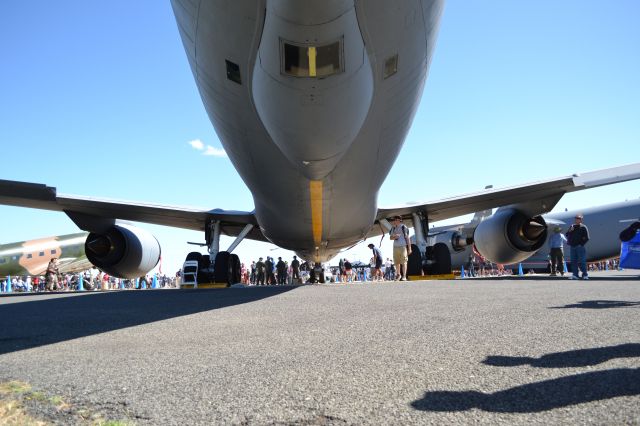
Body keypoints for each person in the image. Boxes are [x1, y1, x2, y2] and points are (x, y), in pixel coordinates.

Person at [565, 214, 590, 280]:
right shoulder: (572, 226)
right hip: (572, 246)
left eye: (578, 218)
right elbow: (567, 234)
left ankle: (585, 275)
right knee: (573, 261)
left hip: (580, 247)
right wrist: (570, 230)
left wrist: (581, 244)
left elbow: (587, 238)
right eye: (576, 218)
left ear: (581, 220)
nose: (576, 219)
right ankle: (575, 275)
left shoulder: (583, 227)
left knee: (582, 261)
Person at [389, 216, 411, 280]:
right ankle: (399, 275)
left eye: (395, 220)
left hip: (403, 246)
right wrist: (394, 237)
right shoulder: (393, 228)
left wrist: (409, 248)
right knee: (396, 262)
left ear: (399, 220)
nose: (394, 221)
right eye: (394, 220)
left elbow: (407, 238)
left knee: (404, 262)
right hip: (395, 247)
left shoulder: (403, 227)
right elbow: (390, 238)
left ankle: (404, 276)